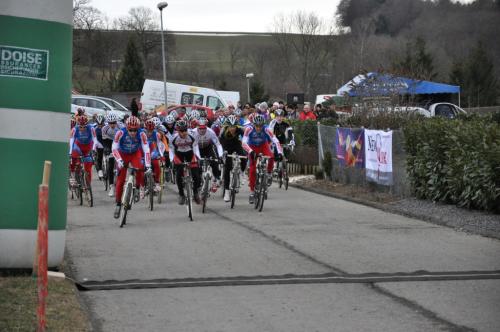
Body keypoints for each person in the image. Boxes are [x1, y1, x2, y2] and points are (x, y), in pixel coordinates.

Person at [112, 116, 151, 218]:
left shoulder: (142, 134)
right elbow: (114, 148)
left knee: (140, 168)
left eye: (135, 130)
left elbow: (146, 150)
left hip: (135, 153)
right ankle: (118, 204)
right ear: (126, 128)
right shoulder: (120, 133)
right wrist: (119, 161)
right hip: (122, 154)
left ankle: (137, 188)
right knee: (120, 180)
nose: (133, 132)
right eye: (130, 130)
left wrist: (148, 165)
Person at [242, 114, 283, 204]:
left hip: (263, 146)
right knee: (252, 170)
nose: (258, 128)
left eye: (260, 126)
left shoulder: (266, 129)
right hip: (252, 147)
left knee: (271, 157)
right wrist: (250, 151)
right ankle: (252, 192)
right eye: (256, 126)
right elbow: (244, 143)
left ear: (263, 125)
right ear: (253, 124)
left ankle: (268, 173)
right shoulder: (249, 129)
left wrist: (280, 153)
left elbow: (275, 140)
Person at [169, 119, 201, 205]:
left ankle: (195, 193)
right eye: (181, 131)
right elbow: (171, 149)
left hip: (190, 153)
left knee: (196, 175)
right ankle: (181, 194)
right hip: (179, 154)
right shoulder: (173, 138)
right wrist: (172, 159)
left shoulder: (192, 135)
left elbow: (195, 146)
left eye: (185, 130)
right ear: (178, 131)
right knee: (179, 174)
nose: (184, 132)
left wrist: (198, 157)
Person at [220, 115, 246, 202]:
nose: (232, 128)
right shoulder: (224, 131)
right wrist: (223, 151)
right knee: (227, 168)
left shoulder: (240, 130)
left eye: (234, 126)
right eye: (231, 126)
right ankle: (227, 191)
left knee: (243, 156)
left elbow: (246, 138)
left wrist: (246, 147)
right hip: (227, 148)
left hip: (237, 145)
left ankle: (242, 172)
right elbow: (220, 143)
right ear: (228, 126)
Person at [192, 118, 224, 188]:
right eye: (200, 128)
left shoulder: (211, 132)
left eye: (204, 128)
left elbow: (218, 144)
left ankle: (217, 177)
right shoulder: (193, 132)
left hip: (208, 147)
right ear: (197, 127)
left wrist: (220, 156)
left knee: (214, 162)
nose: (202, 130)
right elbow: (195, 146)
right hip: (197, 148)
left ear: (206, 127)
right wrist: (199, 157)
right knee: (197, 166)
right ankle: (198, 180)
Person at [69, 115, 98, 186]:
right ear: (77, 125)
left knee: (88, 165)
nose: (82, 128)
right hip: (78, 146)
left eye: (84, 127)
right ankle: (73, 176)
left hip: (88, 146)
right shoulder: (75, 129)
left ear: (87, 125)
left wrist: (93, 149)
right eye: (80, 127)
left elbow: (95, 140)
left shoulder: (91, 128)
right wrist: (70, 152)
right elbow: (71, 140)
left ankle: (88, 185)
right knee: (74, 157)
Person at [102, 112, 121, 196]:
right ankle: (111, 186)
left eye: (114, 123)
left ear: (116, 122)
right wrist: (107, 150)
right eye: (110, 123)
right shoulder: (105, 129)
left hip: (119, 143)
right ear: (108, 122)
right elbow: (105, 141)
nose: (112, 125)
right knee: (110, 163)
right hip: (110, 143)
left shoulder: (121, 127)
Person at [144, 118, 166, 193]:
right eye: (148, 131)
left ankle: (157, 183)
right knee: (141, 166)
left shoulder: (157, 135)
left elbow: (160, 146)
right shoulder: (141, 134)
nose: (149, 133)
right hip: (144, 151)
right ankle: (143, 185)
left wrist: (161, 155)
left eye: (151, 131)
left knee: (156, 164)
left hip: (153, 151)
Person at [93, 114, 106, 179]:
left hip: (105, 141)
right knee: (100, 155)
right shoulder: (94, 128)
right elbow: (94, 139)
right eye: (99, 124)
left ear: (104, 123)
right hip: (98, 141)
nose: (100, 126)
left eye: (102, 124)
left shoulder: (106, 127)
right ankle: (100, 170)